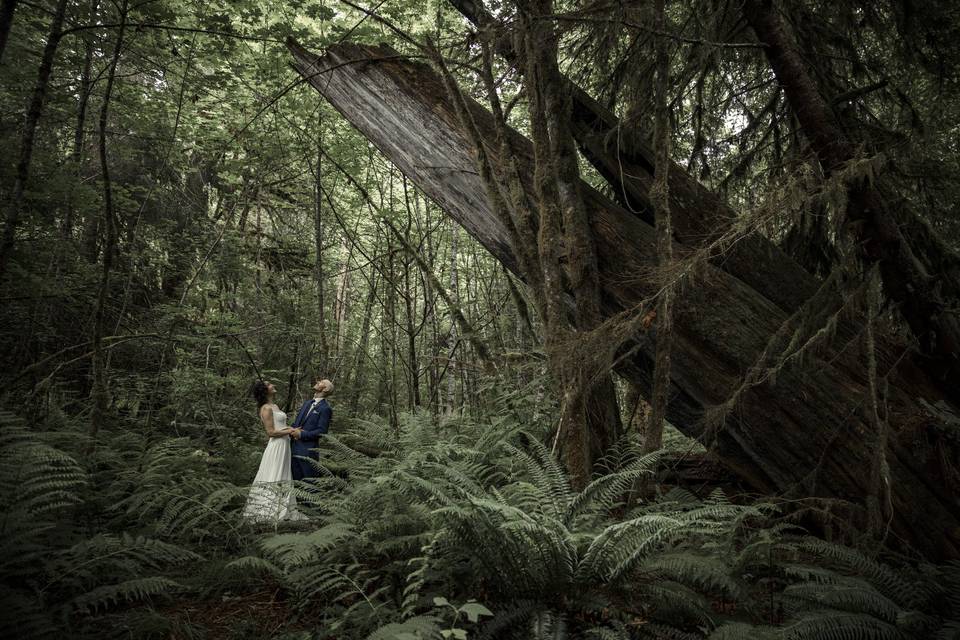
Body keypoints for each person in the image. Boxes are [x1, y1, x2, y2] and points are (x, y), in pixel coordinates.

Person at [242, 380, 302, 521]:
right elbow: (271, 432)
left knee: (284, 473)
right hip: (276, 446)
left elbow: (280, 427)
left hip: (284, 445)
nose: (273, 385)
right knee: (274, 473)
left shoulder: (274, 406)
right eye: (269, 385)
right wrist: (290, 431)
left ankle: (284, 508)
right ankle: (268, 509)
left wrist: (292, 430)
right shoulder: (266, 408)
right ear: (265, 390)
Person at [289, 378, 334, 482]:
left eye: (322, 382)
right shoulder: (307, 403)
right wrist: (290, 430)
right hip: (293, 448)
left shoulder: (325, 409)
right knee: (294, 483)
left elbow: (322, 431)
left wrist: (301, 435)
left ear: (325, 389)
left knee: (308, 485)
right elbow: (296, 423)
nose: (318, 382)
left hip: (308, 452)